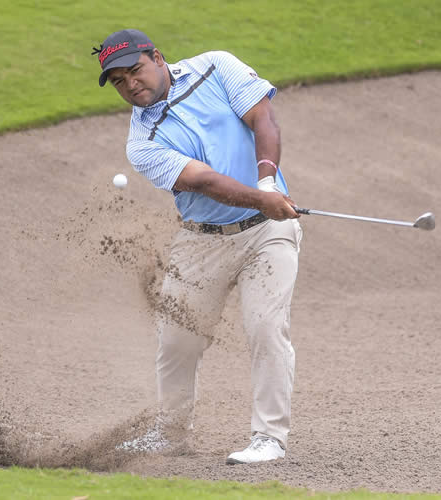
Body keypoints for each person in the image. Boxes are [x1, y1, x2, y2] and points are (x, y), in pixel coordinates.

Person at [95, 29, 303, 465]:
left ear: (158, 57)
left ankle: (269, 438)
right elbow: (205, 181)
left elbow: (263, 119)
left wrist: (267, 183)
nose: (130, 84)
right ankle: (170, 434)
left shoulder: (217, 65)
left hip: (268, 231)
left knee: (265, 327)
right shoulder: (142, 143)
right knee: (176, 341)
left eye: (135, 70)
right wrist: (260, 196)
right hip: (200, 241)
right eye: (118, 81)